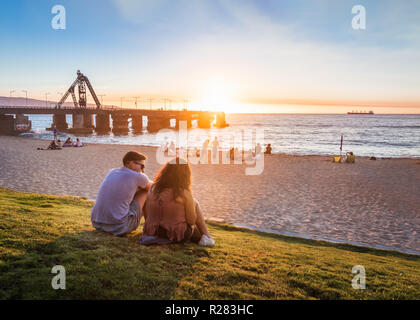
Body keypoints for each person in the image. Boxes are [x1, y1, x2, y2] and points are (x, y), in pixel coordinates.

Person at [142, 157, 215, 246]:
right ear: (185, 174)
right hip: (176, 234)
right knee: (194, 203)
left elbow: (146, 211)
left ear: (166, 171)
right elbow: (191, 221)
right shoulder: (184, 193)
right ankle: (207, 236)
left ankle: (205, 236)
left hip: (152, 231)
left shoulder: (153, 188)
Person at [91, 151, 152, 236]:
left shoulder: (112, 172)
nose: (143, 170)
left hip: (97, 223)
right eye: (142, 166)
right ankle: (150, 228)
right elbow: (154, 188)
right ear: (130, 163)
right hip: (119, 227)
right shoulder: (138, 176)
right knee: (146, 191)